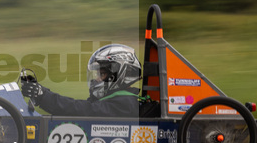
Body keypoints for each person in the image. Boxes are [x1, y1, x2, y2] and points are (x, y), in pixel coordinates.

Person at [20, 43, 159, 117]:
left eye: (102, 74)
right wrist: (41, 95)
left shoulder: (125, 103)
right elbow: (81, 106)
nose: (97, 79)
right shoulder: (117, 99)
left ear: (119, 75)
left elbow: (82, 110)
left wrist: (43, 95)